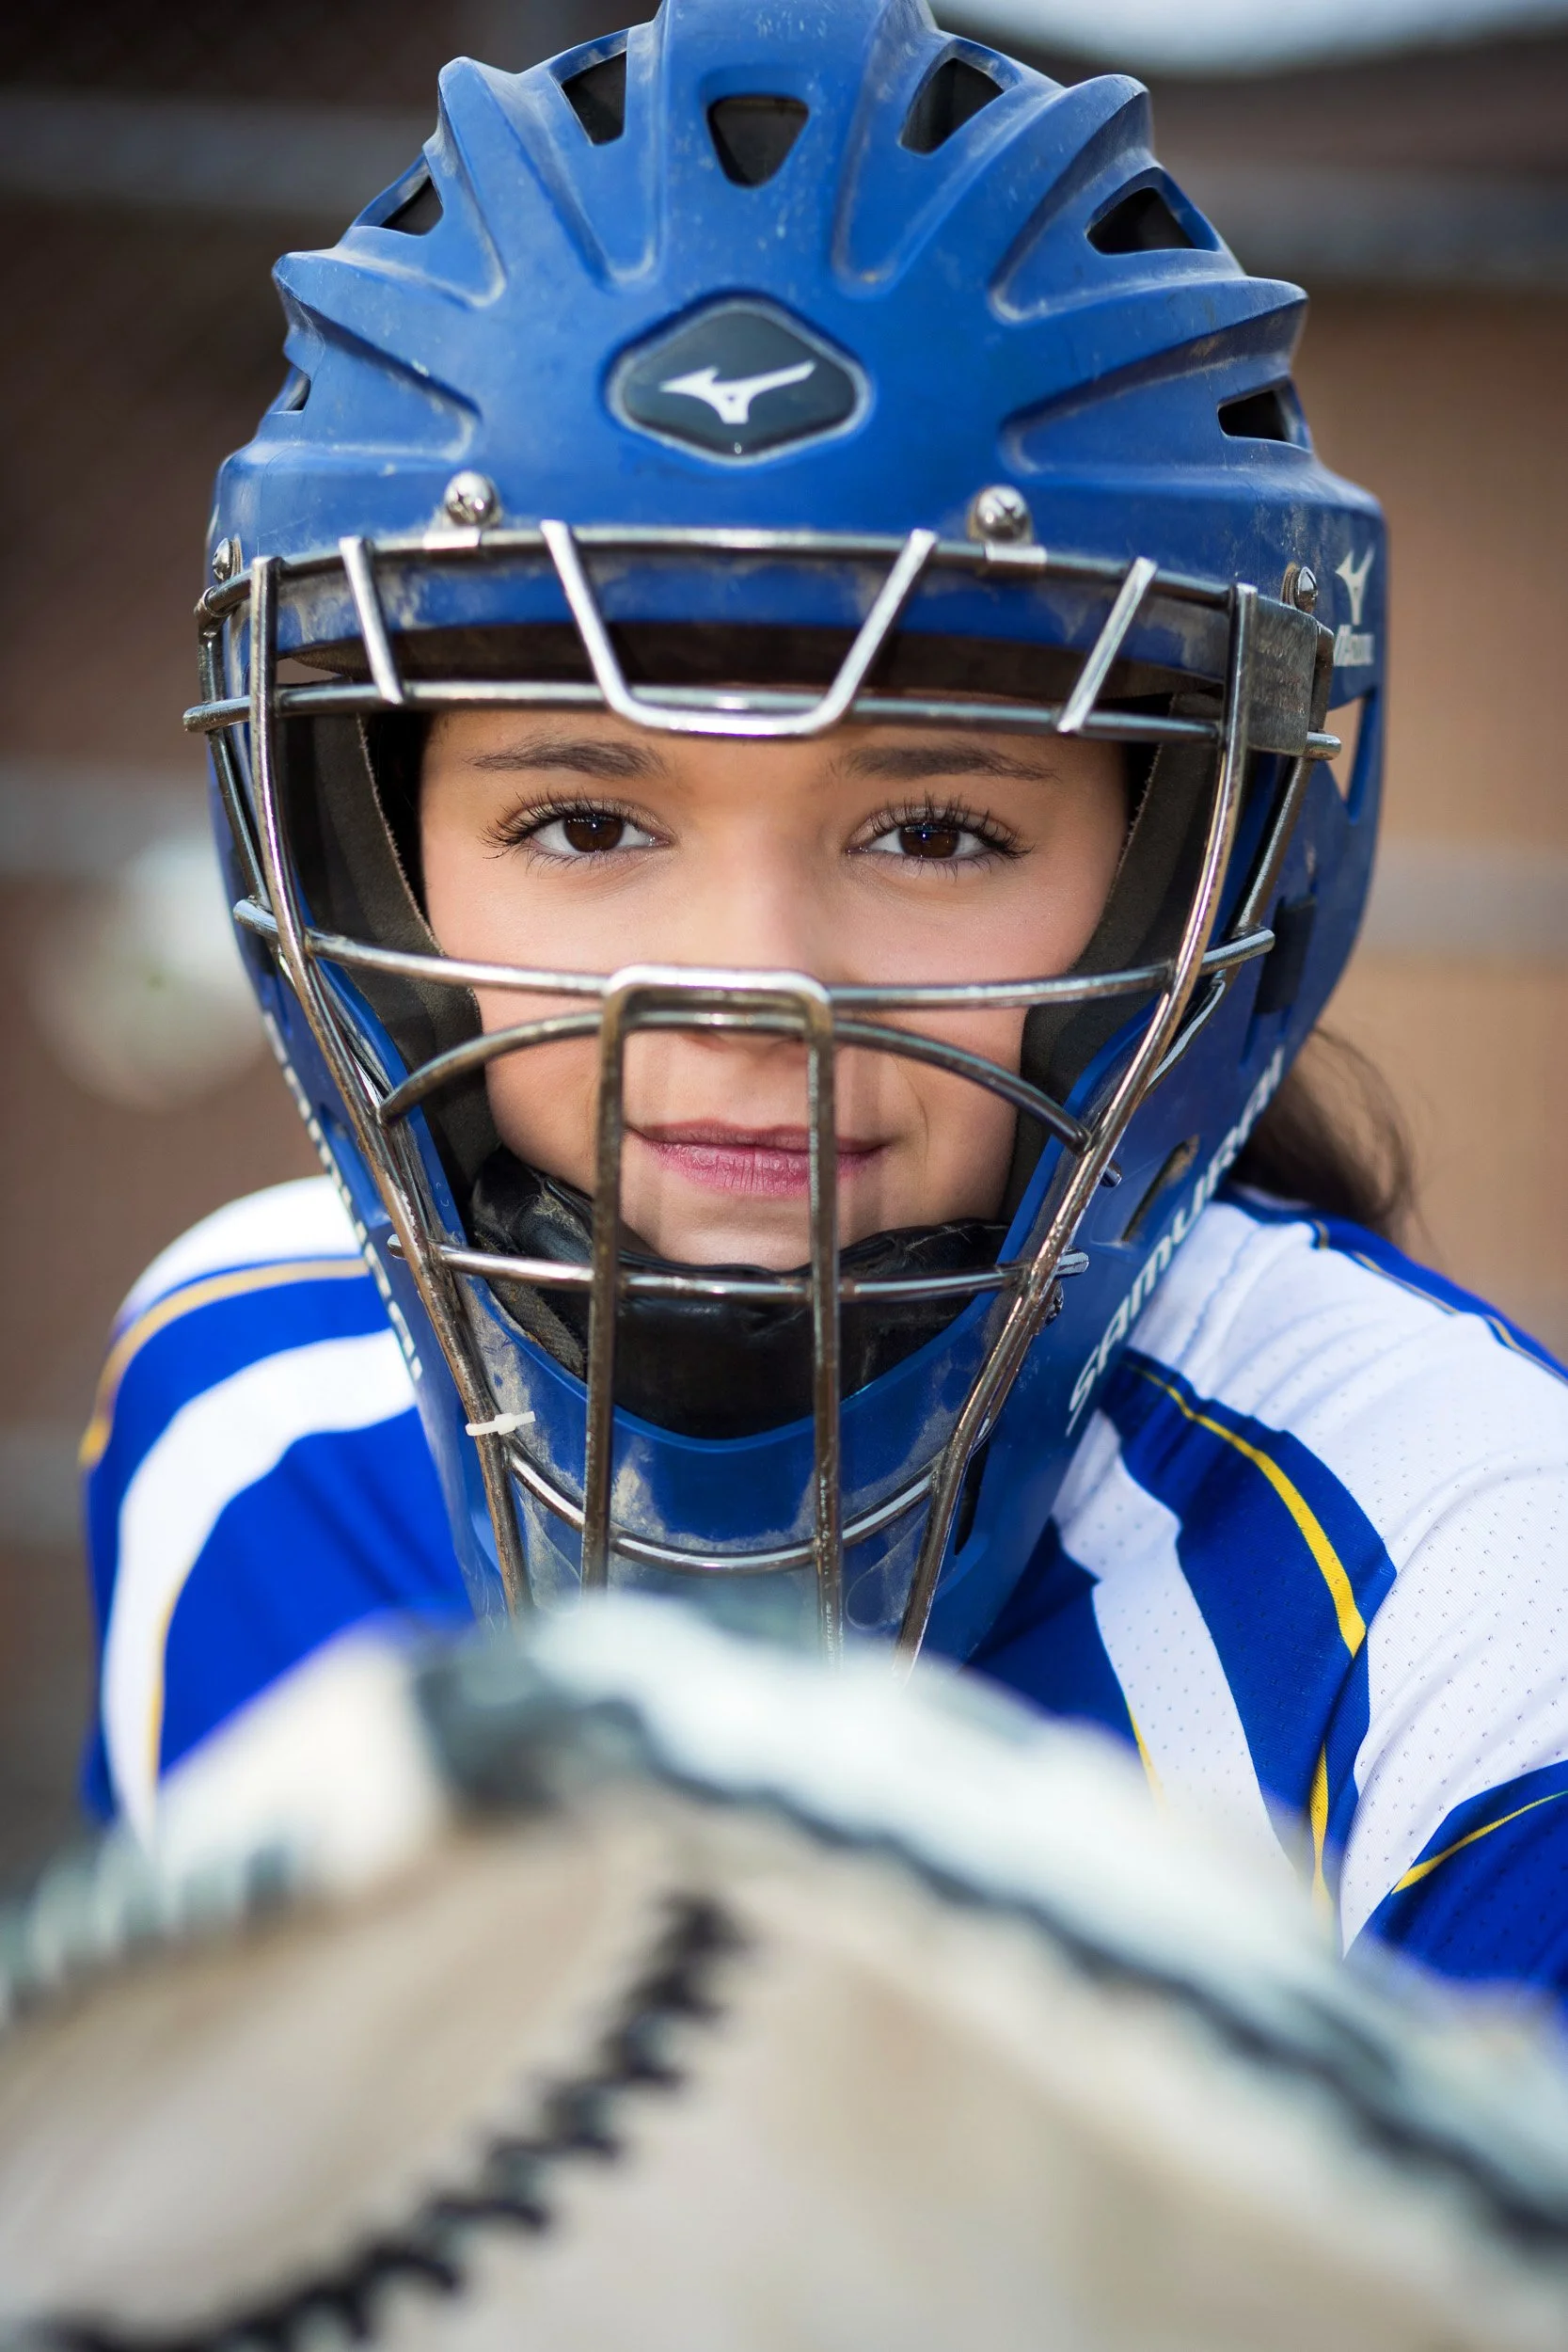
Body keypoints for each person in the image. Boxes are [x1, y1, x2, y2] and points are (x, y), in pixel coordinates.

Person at [82, 0, 1568, 2010]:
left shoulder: (1468, 1568)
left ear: (1191, 868)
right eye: (586, 819)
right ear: (363, 856)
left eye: (937, 829)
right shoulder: (235, 1404)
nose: (746, 980)